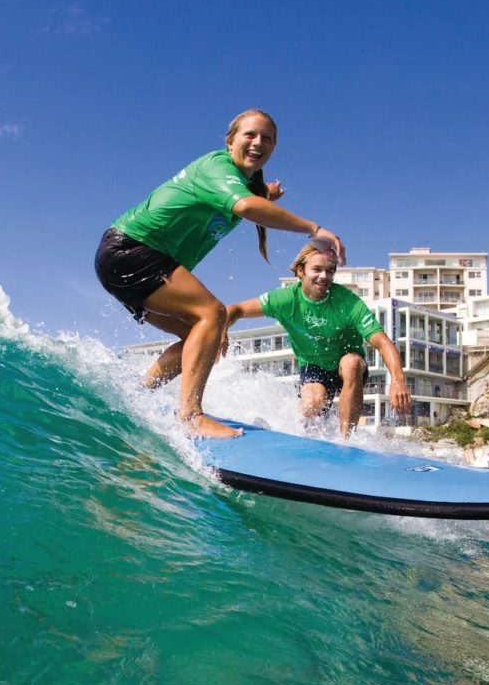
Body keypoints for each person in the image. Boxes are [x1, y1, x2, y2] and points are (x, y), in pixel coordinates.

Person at [94, 109, 344, 439]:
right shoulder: (216, 167)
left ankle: (139, 394)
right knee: (213, 314)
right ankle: (192, 416)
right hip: (132, 250)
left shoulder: (244, 183)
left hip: (128, 259)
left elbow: (253, 198)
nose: (259, 143)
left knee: (200, 339)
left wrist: (267, 193)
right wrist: (314, 229)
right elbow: (245, 206)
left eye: (267, 139)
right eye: (250, 135)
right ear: (229, 142)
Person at [224, 245, 411, 438]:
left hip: (347, 363)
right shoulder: (286, 299)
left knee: (351, 364)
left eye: (330, 271)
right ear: (300, 271)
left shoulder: (347, 302)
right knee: (311, 405)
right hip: (314, 364)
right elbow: (234, 309)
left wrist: (398, 380)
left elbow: (383, 342)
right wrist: (222, 331)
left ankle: (347, 441)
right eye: (317, 269)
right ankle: (310, 439)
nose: (324, 276)